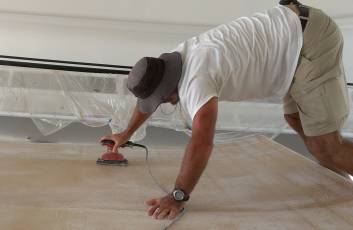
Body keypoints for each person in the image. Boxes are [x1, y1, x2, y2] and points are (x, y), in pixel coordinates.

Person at [101, 0, 353, 220]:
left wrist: (178, 195)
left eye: (161, 99)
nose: (163, 103)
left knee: (325, 146)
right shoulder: (173, 61)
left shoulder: (196, 81)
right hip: (292, 33)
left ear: (168, 89)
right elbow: (147, 94)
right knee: (295, 118)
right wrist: (126, 133)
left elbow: (202, 143)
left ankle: (338, 165)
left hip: (309, 40)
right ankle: (342, 179)